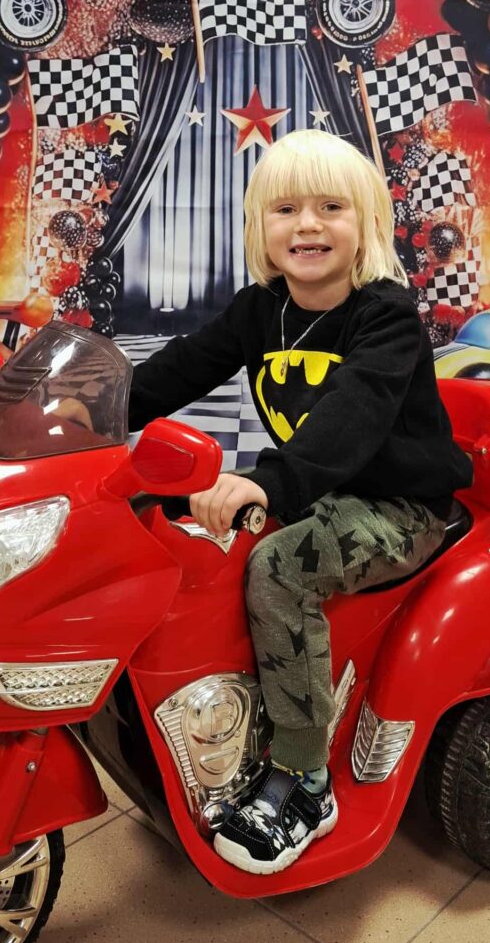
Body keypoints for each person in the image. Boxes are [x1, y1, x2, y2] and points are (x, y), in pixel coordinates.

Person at [127, 129, 472, 875]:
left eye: (330, 207)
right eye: (285, 209)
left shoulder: (386, 314)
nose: (307, 225)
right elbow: (179, 366)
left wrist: (270, 481)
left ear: (367, 222)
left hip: (401, 507)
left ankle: (305, 778)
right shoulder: (262, 309)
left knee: (279, 567)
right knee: (184, 538)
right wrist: (89, 406)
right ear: (260, 226)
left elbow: (354, 410)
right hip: (322, 488)